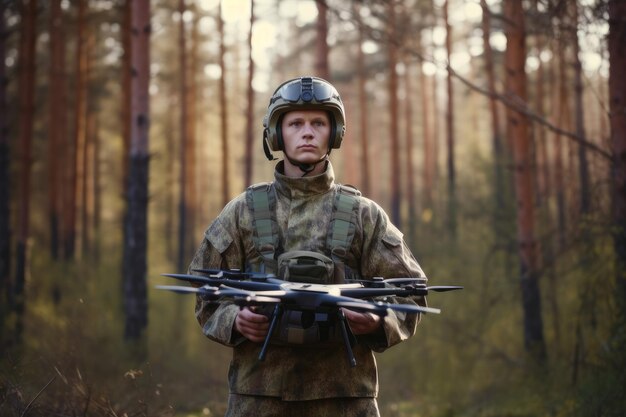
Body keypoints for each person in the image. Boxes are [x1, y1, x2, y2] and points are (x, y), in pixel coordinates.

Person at [189, 76, 427, 417]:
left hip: (346, 399)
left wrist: (377, 319)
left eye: (318, 122)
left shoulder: (364, 215)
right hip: (258, 399)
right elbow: (204, 288)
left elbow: (412, 293)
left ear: (335, 133)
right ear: (275, 133)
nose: (307, 132)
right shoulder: (243, 211)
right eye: (295, 123)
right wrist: (234, 319)